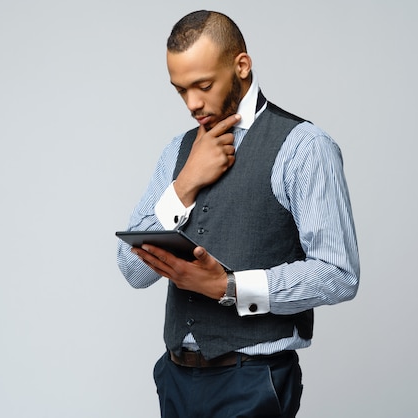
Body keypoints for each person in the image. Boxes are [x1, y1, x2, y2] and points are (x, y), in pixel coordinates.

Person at [116, 10, 360, 418]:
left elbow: (339, 274)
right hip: (175, 380)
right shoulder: (178, 152)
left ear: (241, 66)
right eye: (181, 91)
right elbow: (133, 270)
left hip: (253, 381)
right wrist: (184, 185)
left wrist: (229, 287)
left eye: (203, 85)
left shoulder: (303, 146)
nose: (193, 103)